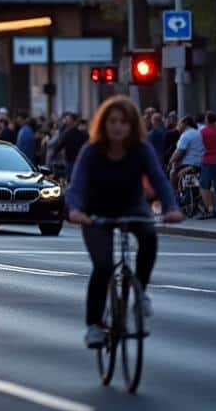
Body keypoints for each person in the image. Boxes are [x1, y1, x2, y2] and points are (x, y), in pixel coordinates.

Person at [66, 96, 183, 349]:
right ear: (103, 124)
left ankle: (140, 292)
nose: (118, 126)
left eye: (123, 122)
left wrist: (172, 208)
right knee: (103, 266)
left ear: (132, 126)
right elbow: (76, 186)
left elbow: (159, 180)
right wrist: (74, 210)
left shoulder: (141, 149)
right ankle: (94, 325)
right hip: (96, 212)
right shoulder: (92, 151)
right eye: (112, 121)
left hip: (132, 207)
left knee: (149, 236)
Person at [168, 115, 207, 215]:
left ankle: (177, 197)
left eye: (179, 123)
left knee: (172, 173)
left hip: (188, 164)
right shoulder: (198, 133)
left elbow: (179, 152)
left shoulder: (186, 135)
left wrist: (170, 162)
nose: (177, 126)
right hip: (200, 164)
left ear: (185, 123)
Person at [199, 111, 216, 213]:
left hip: (206, 159)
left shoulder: (202, 132)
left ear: (207, 120)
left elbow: (200, 145)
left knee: (205, 184)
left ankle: (209, 206)